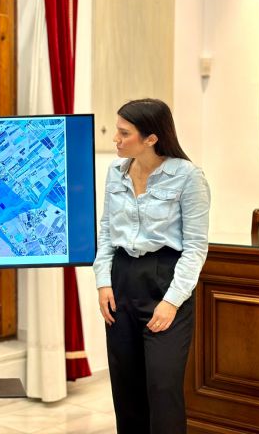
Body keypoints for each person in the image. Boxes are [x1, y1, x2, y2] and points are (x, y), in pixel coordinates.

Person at [93, 98, 210, 434]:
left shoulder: (188, 177)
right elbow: (106, 231)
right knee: (126, 387)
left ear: (151, 138)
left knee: (162, 387)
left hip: (166, 282)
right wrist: (103, 282)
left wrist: (172, 302)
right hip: (121, 279)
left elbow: (195, 247)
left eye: (123, 132)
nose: (115, 138)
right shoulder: (115, 173)